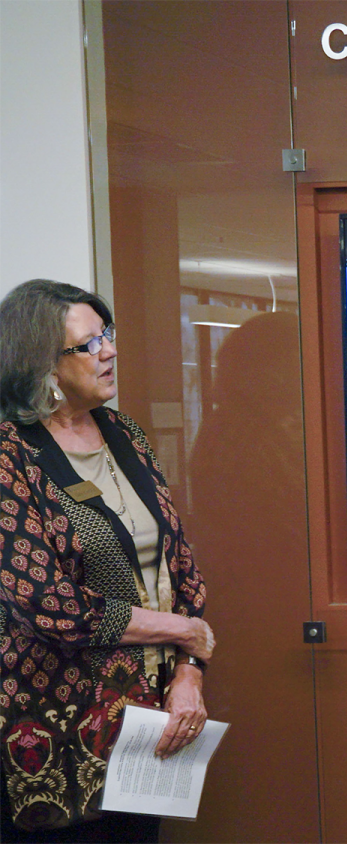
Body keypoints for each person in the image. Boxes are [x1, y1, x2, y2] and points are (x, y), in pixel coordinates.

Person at [0, 280, 214, 842]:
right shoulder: (9, 454)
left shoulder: (127, 437)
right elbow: (46, 604)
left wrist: (189, 675)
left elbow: (181, 568)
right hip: (53, 735)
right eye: (88, 344)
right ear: (41, 361)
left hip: (152, 724)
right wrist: (185, 632)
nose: (110, 351)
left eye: (108, 335)